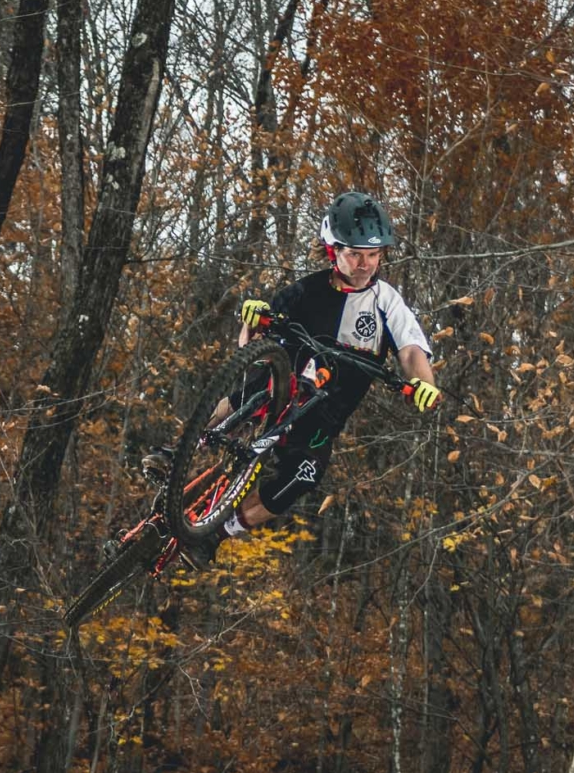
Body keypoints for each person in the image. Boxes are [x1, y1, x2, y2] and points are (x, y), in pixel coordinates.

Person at [145, 191, 443, 554]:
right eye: (355, 254)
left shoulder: (387, 302)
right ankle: (176, 454)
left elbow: (410, 351)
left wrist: (424, 385)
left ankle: (216, 535)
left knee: (304, 477)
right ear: (333, 250)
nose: (365, 264)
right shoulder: (306, 291)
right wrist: (252, 320)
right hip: (280, 387)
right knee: (249, 394)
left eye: (373, 254)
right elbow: (250, 346)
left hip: (324, 415)